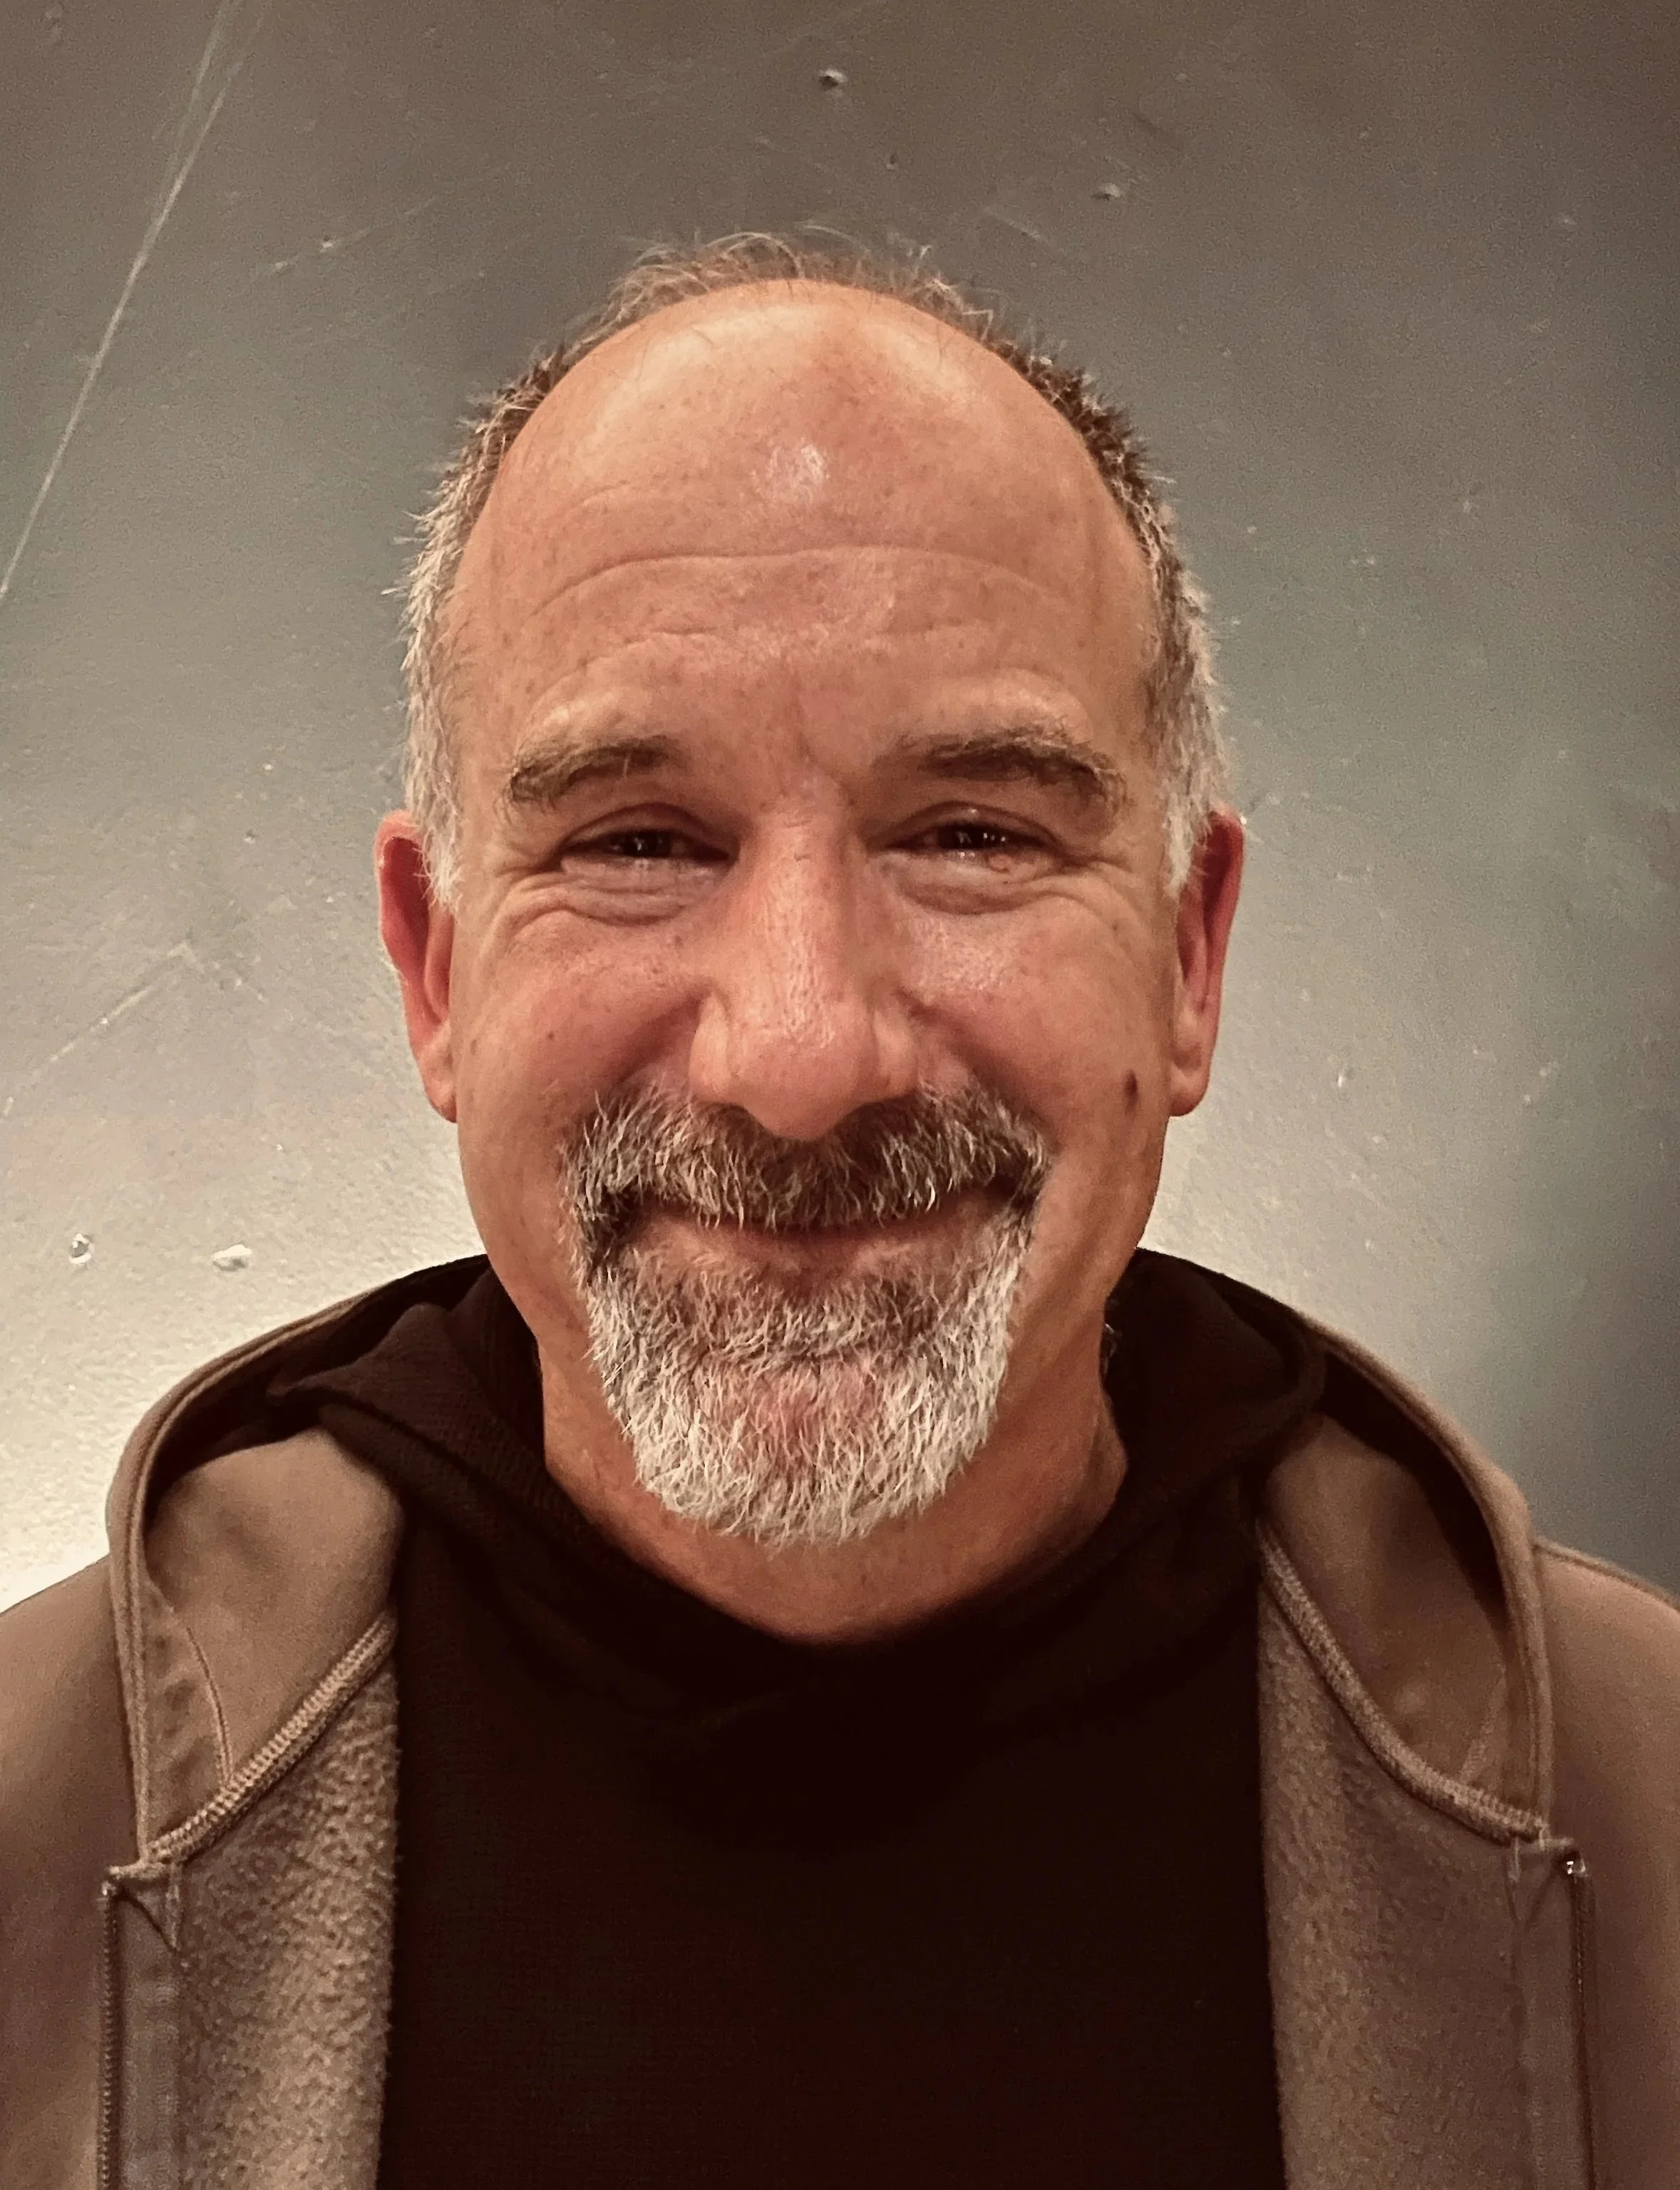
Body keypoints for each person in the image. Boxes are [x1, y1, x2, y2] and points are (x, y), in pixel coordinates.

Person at [2, 234, 1676, 2190]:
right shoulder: (29, 1834)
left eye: (969, 834)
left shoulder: (1645, 1824)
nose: (799, 1059)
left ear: (1187, 954)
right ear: (435, 973)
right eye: (637, 841)